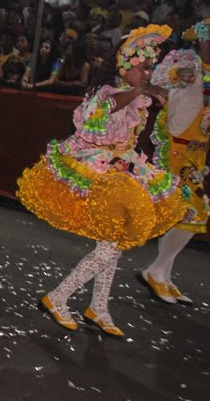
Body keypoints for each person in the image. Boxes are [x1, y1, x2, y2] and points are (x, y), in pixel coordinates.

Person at [17, 26, 186, 336]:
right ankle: (58, 297)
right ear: (125, 67)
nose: (148, 73)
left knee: (112, 243)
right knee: (111, 246)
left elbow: (161, 86)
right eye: (144, 67)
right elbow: (100, 112)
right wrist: (141, 90)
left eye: (150, 67)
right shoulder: (107, 93)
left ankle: (98, 307)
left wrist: (156, 87)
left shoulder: (132, 92)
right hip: (99, 172)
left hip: (122, 169)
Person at [141, 21, 209, 303]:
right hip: (178, 149)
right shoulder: (188, 63)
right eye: (207, 39)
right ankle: (156, 270)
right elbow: (159, 79)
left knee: (182, 212)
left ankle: (163, 274)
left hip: (198, 151)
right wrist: (176, 74)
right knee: (197, 210)